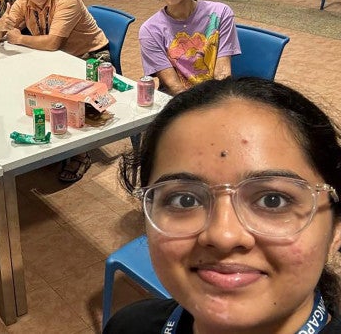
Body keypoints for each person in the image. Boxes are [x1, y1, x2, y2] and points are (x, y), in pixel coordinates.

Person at [106, 77, 341, 334]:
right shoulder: (129, 325)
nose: (223, 235)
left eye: (273, 200)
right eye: (184, 200)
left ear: (336, 228)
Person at [0, 0, 108, 184]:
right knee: (19, 80)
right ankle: (53, 139)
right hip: (55, 58)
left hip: (89, 57)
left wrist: (19, 39)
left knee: (66, 95)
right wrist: (1, 25)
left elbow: (53, 42)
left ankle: (80, 153)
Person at [139, 0, 241, 95]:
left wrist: (217, 104)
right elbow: (173, 86)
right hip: (178, 101)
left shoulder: (220, 14)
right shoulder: (150, 30)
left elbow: (222, 74)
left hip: (216, 96)